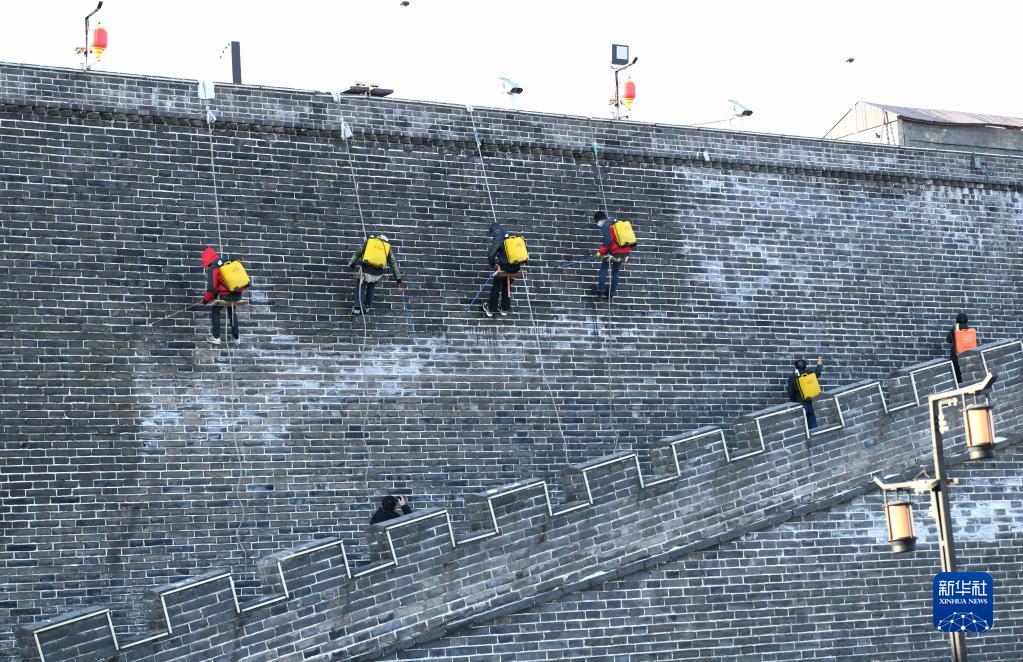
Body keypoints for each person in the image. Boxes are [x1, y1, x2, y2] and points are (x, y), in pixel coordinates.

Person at [349, 234, 403, 315]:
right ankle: (367, 307)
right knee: (371, 288)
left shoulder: (370, 241)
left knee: (361, 287)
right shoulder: (387, 247)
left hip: (365, 270)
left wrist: (351, 262)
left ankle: (357, 308)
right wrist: (398, 279)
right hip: (377, 273)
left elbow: (358, 252)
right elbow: (393, 264)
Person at [201, 246, 242, 345]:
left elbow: (212, 288)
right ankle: (236, 338)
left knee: (215, 310)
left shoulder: (213, 268)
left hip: (226, 295)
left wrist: (205, 300)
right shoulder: (226, 261)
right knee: (232, 311)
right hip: (238, 293)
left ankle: (216, 337)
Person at [483, 222, 521, 318]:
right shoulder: (511, 236)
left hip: (504, 267)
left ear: (494, 231)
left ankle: (491, 309)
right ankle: (504, 309)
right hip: (515, 267)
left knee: (496, 286)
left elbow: (491, 254)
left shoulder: (498, 238)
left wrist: (493, 265)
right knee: (507, 286)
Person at [592, 211, 631, 300]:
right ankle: (611, 293)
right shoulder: (615, 221)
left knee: (604, 269)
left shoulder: (605, 225)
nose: (598, 224)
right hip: (624, 252)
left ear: (600, 220)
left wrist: (600, 252)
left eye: (597, 221)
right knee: (616, 272)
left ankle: (600, 290)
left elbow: (608, 241)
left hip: (613, 252)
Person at [787, 356, 823, 429]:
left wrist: (794, 401)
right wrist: (819, 363)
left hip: (799, 404)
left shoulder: (792, 376)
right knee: (813, 427)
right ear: (805, 366)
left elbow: (790, 392)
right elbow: (818, 373)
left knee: (801, 428)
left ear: (796, 367)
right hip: (809, 403)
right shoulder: (809, 373)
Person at [946, 312, 974, 382]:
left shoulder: (954, 328)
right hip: (967, 355)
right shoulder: (969, 330)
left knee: (956, 376)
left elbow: (948, 340)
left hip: (955, 355)